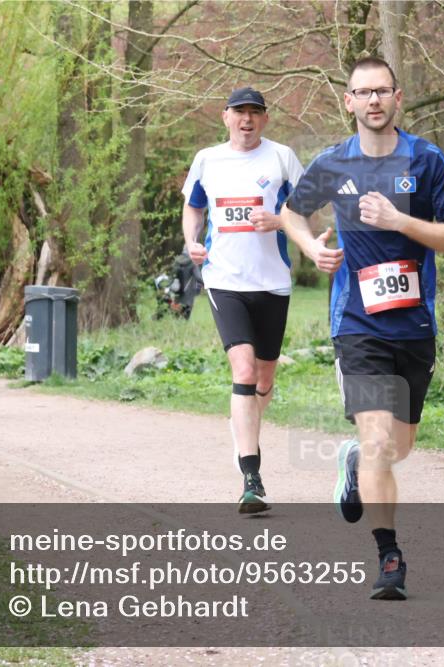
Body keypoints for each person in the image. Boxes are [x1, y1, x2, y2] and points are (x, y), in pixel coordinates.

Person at [281, 57, 444, 600]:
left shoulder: (427, 160)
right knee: (380, 440)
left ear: (398, 96)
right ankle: (390, 557)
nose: (373, 101)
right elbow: (293, 212)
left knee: (398, 447)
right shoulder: (334, 162)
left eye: (382, 91)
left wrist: (399, 221)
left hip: (414, 326)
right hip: (357, 325)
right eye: (362, 92)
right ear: (349, 101)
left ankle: (354, 463)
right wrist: (310, 244)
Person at [181, 86, 304, 514]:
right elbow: (194, 207)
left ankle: (244, 426)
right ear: (225, 116)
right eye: (239, 112)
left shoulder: (282, 157)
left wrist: (279, 220)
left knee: (264, 380)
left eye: (255, 112)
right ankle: (251, 476)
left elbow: (303, 210)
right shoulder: (207, 160)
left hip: (273, 282)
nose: (247, 119)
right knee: (245, 368)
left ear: (265, 119)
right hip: (224, 279)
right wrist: (191, 242)